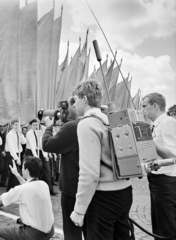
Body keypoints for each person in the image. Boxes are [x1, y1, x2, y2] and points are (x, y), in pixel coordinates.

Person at [70, 80, 132, 239]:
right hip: (124, 191)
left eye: (75, 98)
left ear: (84, 98)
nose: (73, 104)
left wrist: (79, 210)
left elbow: (89, 174)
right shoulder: (109, 118)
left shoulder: (88, 123)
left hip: (104, 197)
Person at [0, 156, 55, 240]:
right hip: (50, 231)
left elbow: (0, 199)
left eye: (23, 168)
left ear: (27, 171)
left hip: (34, 234)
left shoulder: (23, 189)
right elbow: (28, 186)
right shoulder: (44, 184)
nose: (22, 169)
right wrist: (16, 174)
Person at [42, 96, 87, 240]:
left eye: (66, 107)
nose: (64, 110)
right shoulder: (93, 123)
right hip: (92, 188)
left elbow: (47, 145)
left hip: (72, 188)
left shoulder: (73, 126)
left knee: (72, 232)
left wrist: (49, 126)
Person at [141, 93, 176, 238]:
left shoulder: (167, 122)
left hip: (165, 182)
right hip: (156, 180)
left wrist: (149, 141)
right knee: (158, 226)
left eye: (144, 106)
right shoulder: (157, 124)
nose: (142, 110)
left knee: (167, 228)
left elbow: (172, 156)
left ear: (154, 106)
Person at [25, 119, 56, 195]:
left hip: (40, 152)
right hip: (32, 153)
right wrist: (36, 157)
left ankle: (49, 190)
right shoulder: (29, 133)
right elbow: (32, 146)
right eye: (34, 125)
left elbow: (41, 144)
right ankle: (35, 190)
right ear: (30, 125)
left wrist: (45, 155)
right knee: (35, 172)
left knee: (47, 170)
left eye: (37, 124)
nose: (35, 126)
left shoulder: (39, 132)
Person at [4, 120, 26, 191]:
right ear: (12, 125)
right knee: (17, 173)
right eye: (15, 125)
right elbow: (11, 148)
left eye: (18, 125)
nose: (17, 126)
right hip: (11, 154)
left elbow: (24, 141)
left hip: (17, 153)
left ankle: (9, 190)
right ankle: (14, 190)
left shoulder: (18, 133)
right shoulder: (9, 134)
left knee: (13, 174)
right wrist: (16, 158)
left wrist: (21, 133)